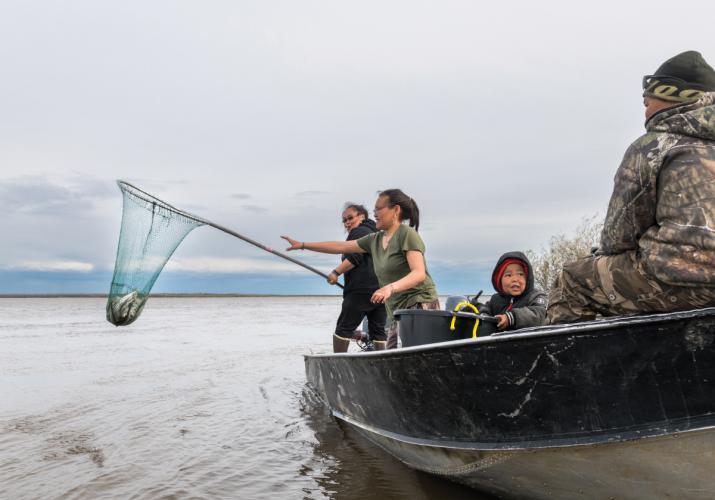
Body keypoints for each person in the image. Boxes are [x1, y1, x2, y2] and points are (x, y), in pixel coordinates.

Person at [547, 50, 715, 324]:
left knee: (574, 280)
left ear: (674, 97)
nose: (646, 108)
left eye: (648, 101)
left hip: (676, 280)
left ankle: (570, 365)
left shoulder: (654, 146)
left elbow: (618, 237)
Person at [282, 189, 439, 349]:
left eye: (379, 208)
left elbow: (419, 273)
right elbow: (340, 246)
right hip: (395, 309)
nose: (375, 213)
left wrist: (389, 289)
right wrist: (302, 245)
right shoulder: (374, 239)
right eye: (374, 209)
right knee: (390, 357)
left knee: (418, 354)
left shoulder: (407, 234)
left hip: (419, 304)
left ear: (396, 210)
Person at [328, 202, 387, 352]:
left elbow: (355, 257)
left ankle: (338, 364)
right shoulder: (378, 234)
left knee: (343, 328)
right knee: (378, 332)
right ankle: (381, 365)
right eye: (344, 220)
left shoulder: (358, 232)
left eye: (350, 218)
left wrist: (336, 273)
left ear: (362, 216)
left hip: (361, 290)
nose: (347, 223)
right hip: (381, 291)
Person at [473, 252, 547, 331]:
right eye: (508, 275)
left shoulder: (536, 296)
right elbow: (486, 309)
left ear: (527, 278)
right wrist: (478, 309)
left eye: (520, 274)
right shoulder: (496, 299)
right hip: (500, 342)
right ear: (499, 280)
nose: (515, 279)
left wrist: (511, 317)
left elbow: (538, 315)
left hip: (531, 341)